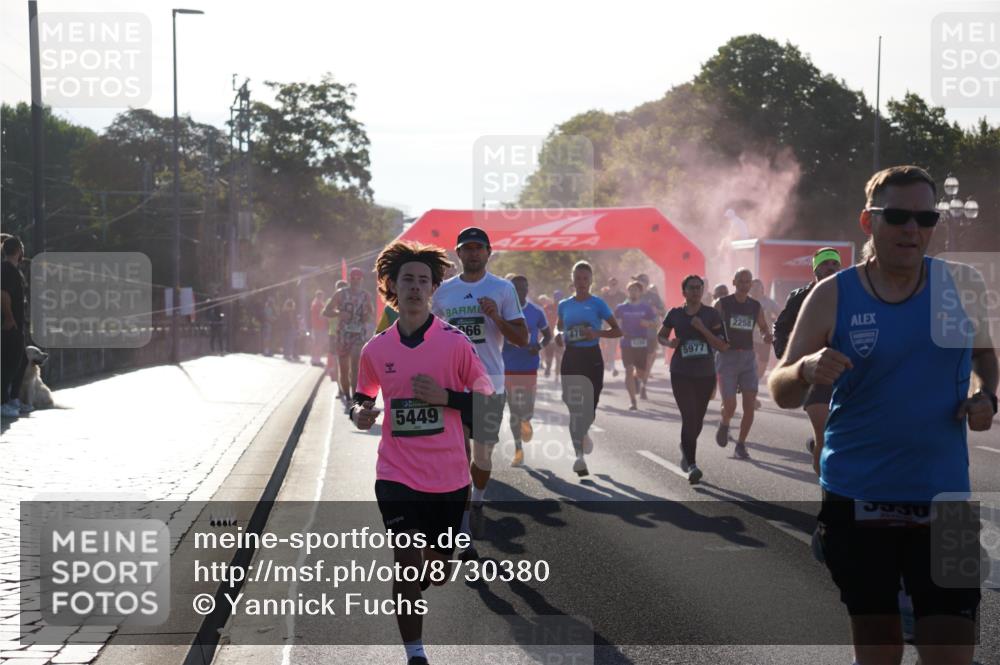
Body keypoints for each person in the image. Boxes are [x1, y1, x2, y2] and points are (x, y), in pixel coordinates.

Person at [769, 165, 997, 665]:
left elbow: (984, 356)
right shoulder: (833, 294)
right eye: (897, 215)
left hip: (945, 498)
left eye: (925, 216)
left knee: (953, 653)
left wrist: (986, 397)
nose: (912, 228)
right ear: (868, 222)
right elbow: (781, 388)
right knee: (880, 651)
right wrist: (807, 367)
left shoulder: (963, 285)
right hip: (858, 496)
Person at [351, 240, 494, 665]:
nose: (415, 287)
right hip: (396, 474)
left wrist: (447, 396)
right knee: (407, 561)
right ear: (392, 285)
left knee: (437, 571)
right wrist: (361, 412)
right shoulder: (376, 349)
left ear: (433, 289)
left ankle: (444, 549)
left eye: (423, 280)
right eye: (407, 279)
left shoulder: (455, 344)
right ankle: (415, 654)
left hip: (449, 477)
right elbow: (362, 395)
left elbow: (487, 402)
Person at [431, 227, 527, 547]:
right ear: (457, 254)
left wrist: (496, 318)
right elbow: (429, 337)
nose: (473, 253)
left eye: (478, 248)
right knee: (458, 456)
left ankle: (478, 500)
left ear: (489, 252)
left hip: (489, 384)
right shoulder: (443, 292)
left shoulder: (502, 288)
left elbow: (522, 339)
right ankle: (462, 525)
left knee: (482, 456)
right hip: (452, 385)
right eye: (467, 248)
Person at [771, 247, 843, 462]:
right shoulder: (800, 297)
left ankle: (818, 445)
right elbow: (781, 327)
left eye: (835, 264)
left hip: (845, 371)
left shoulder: (849, 293)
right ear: (815, 269)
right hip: (815, 371)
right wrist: (787, 357)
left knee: (839, 434)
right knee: (824, 434)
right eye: (825, 264)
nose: (831, 268)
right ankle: (829, 490)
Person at [658, 275, 729, 484]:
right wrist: (669, 343)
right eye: (691, 288)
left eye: (699, 288)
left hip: (705, 374)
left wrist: (702, 329)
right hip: (681, 372)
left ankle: (686, 447)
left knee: (697, 420)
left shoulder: (711, 314)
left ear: (703, 291)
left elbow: (723, 345)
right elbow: (660, 335)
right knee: (689, 417)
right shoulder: (675, 314)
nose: (696, 291)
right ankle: (692, 465)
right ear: (684, 292)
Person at [556, 261, 622, 476]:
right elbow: (559, 328)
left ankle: (583, 433)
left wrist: (597, 334)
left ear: (591, 280)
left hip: (591, 357)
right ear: (572, 280)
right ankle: (579, 458)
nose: (581, 282)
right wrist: (558, 336)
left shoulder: (598, 304)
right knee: (574, 406)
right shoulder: (564, 305)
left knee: (589, 409)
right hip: (571, 357)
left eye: (585, 278)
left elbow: (617, 331)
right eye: (578, 278)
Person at [714, 268, 773, 458]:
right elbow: (711, 327)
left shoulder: (755, 306)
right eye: (741, 281)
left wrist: (766, 336)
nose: (745, 285)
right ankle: (725, 422)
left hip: (748, 357)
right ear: (734, 282)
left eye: (748, 282)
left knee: (749, 404)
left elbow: (763, 328)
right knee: (730, 405)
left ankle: (741, 443)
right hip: (727, 358)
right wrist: (717, 342)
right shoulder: (722, 304)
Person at [501, 275, 552, 467]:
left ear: (527, 290)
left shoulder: (536, 312)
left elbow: (547, 336)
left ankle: (527, 420)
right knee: (514, 409)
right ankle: (518, 450)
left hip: (529, 366)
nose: (520, 292)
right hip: (508, 366)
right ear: (510, 290)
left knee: (527, 409)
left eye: (523, 288)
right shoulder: (503, 311)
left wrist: (537, 347)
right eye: (515, 289)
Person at [326, 267, 374, 410]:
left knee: (355, 368)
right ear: (349, 279)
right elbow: (326, 311)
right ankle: (347, 396)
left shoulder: (366, 296)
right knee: (344, 368)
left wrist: (366, 317)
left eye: (358, 278)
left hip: (358, 335)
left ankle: (355, 399)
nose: (356, 281)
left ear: (362, 280)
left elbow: (370, 313)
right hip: (343, 335)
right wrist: (338, 313)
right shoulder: (340, 294)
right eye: (353, 278)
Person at [614, 280, 657, 411]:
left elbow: (656, 322)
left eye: (636, 290)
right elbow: (613, 322)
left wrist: (648, 324)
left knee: (642, 373)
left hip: (641, 342)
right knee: (628, 370)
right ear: (628, 292)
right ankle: (633, 401)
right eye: (631, 289)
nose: (633, 292)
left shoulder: (646, 308)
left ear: (640, 293)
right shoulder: (621, 307)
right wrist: (617, 329)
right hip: (627, 342)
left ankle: (637, 379)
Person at [1, 236, 29, 419]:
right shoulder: (5, 269)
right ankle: (3, 402)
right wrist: (9, 318)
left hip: (17, 323)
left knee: (21, 360)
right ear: (18, 250)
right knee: (8, 363)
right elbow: (3, 294)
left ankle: (12, 399)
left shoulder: (13, 270)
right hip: (9, 324)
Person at [633, 273, 665, 399]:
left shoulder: (654, 297)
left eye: (640, 283)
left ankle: (643, 386)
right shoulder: (633, 295)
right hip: (636, 334)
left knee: (648, 360)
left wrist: (657, 311)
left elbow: (664, 311)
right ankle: (637, 377)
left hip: (651, 333)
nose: (638, 285)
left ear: (646, 284)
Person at [749, 279, 781, 378]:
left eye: (758, 287)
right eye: (753, 287)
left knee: (763, 362)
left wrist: (775, 323)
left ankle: (757, 379)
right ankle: (750, 379)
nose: (755, 289)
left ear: (762, 289)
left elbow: (780, 314)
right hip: (749, 338)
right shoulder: (746, 301)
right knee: (750, 359)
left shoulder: (769, 303)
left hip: (765, 338)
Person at [323, 280, 348, 387]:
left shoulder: (350, 300)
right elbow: (325, 313)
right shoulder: (331, 301)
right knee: (338, 358)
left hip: (345, 334)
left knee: (341, 359)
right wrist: (338, 313)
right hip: (335, 333)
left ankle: (342, 383)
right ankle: (339, 382)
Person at [602, 277, 626, 376]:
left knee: (615, 344)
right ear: (609, 284)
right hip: (606, 321)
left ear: (617, 284)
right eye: (612, 284)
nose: (613, 285)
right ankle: (608, 362)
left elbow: (627, 306)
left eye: (615, 284)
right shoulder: (605, 296)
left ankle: (612, 364)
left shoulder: (622, 295)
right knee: (608, 343)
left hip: (618, 322)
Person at [309, 289, 327, 366]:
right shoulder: (318, 304)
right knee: (318, 343)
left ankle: (314, 359)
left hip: (316, 326)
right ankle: (316, 360)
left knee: (316, 343)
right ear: (320, 296)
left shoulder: (314, 303)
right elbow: (321, 315)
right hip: (319, 326)